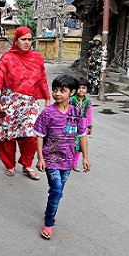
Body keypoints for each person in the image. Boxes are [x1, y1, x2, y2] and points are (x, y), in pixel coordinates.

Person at [0, 26, 51, 180]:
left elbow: (42, 79)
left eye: (29, 39)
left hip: (29, 104)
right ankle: (10, 165)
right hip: (9, 102)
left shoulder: (37, 58)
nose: (27, 42)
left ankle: (27, 165)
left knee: (32, 136)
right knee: (7, 136)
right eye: (23, 39)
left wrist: (47, 98)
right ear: (16, 41)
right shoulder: (7, 58)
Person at [34, 74, 91, 240]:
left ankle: (50, 210)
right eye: (55, 90)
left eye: (62, 91)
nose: (57, 94)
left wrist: (85, 158)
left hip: (67, 159)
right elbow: (39, 135)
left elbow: (82, 136)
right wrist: (40, 158)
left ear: (72, 92)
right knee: (57, 189)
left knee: (57, 192)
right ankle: (49, 222)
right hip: (50, 158)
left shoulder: (77, 113)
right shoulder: (47, 113)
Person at [70, 74, 93, 172]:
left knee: (79, 145)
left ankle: (74, 164)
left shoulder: (88, 101)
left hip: (82, 125)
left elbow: (89, 114)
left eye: (84, 88)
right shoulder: (71, 99)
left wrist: (89, 126)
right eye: (79, 88)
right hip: (71, 124)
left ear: (87, 89)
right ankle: (66, 161)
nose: (81, 90)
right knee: (69, 142)